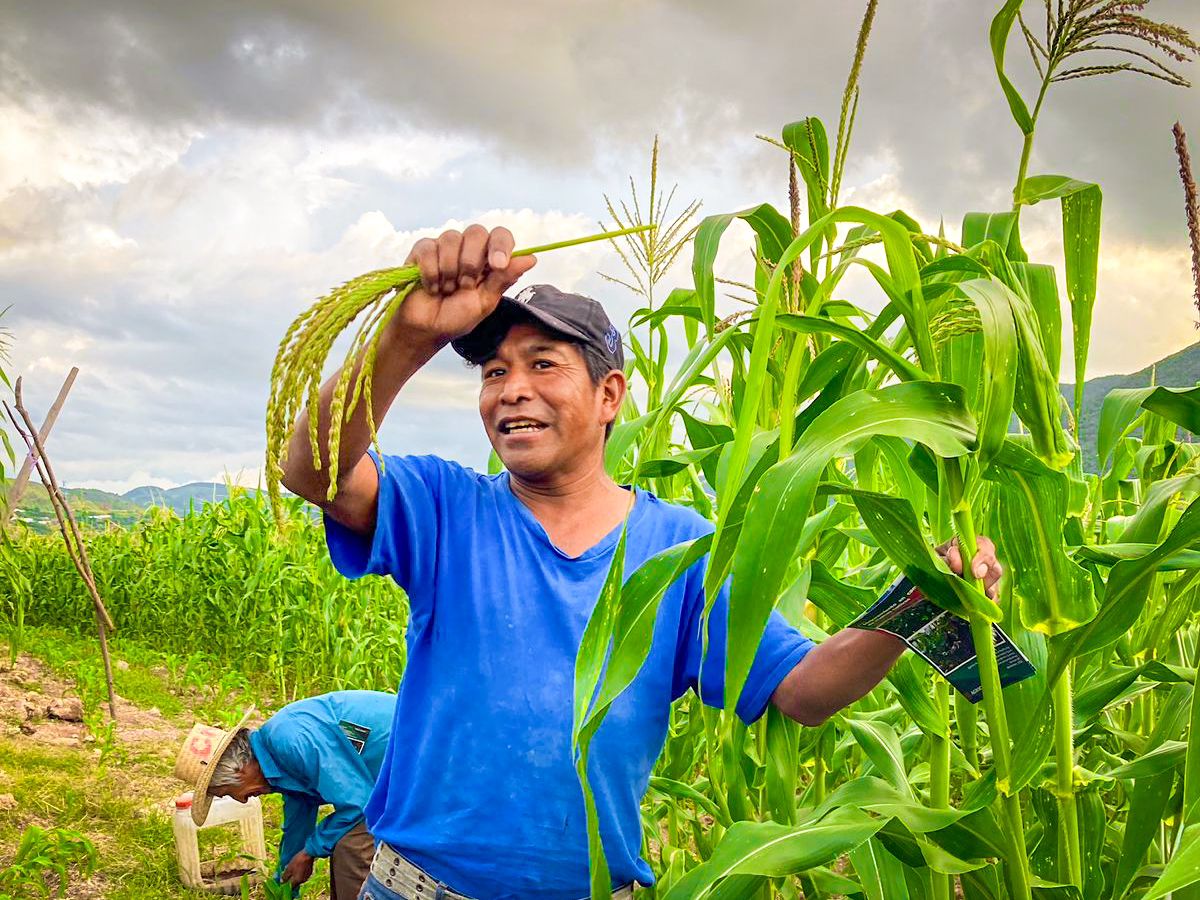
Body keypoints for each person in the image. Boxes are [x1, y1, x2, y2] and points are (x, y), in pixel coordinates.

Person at [280, 225, 1002, 900]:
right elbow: (313, 471)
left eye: (542, 364)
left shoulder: (682, 550)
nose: (511, 389)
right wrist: (411, 334)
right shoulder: (447, 508)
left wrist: (923, 600)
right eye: (494, 371)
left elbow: (803, 691)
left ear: (609, 396)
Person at [173, 690, 395, 899]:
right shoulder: (278, 762)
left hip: (418, 755)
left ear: (239, 770)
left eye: (229, 792)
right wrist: (285, 884)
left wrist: (309, 853)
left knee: (350, 846)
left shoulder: (291, 741)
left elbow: (358, 804)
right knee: (341, 840)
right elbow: (297, 827)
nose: (241, 799)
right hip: (391, 773)